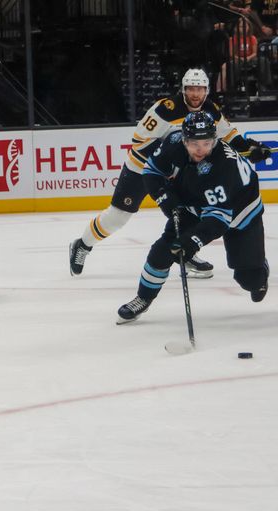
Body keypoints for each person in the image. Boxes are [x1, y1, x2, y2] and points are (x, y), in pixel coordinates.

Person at [68, 68, 271, 278]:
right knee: (117, 217)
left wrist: (251, 149)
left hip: (179, 174)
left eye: (200, 89)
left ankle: (186, 253)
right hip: (143, 168)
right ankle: (83, 245)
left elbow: (228, 136)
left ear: (207, 91)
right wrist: (165, 164)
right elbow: (139, 142)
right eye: (191, 88)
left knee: (190, 213)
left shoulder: (210, 110)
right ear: (183, 89)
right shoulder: (166, 109)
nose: (195, 94)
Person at [117, 111, 268, 323]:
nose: (201, 150)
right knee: (163, 250)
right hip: (194, 202)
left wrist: (190, 242)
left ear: (214, 140)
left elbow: (218, 221)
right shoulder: (173, 142)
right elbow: (151, 172)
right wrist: (165, 199)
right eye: (195, 144)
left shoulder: (224, 166)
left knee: (250, 280)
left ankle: (259, 267)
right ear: (184, 140)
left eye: (206, 143)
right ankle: (143, 298)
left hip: (241, 210)